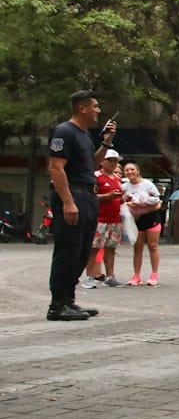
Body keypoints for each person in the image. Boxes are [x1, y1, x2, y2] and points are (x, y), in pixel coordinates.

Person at [45, 90, 115, 321]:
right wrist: (68, 202)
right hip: (73, 194)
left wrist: (106, 142)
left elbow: (91, 164)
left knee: (82, 251)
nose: (98, 110)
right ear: (82, 108)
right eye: (95, 106)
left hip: (88, 195)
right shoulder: (63, 132)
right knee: (68, 249)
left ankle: (68, 299)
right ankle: (57, 305)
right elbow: (56, 167)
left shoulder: (84, 135)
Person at [83, 149, 126, 289]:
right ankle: (89, 276)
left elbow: (117, 198)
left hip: (114, 219)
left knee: (111, 248)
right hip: (99, 219)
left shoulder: (117, 179)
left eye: (115, 161)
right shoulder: (96, 177)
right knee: (94, 248)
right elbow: (89, 197)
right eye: (110, 160)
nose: (113, 164)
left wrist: (122, 199)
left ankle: (110, 276)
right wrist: (108, 196)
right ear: (102, 161)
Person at [122, 161, 163, 287]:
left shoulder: (148, 185)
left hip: (151, 217)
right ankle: (136, 275)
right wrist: (127, 202)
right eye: (127, 170)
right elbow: (120, 200)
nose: (130, 172)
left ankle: (154, 274)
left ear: (138, 171)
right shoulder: (124, 187)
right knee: (137, 247)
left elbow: (156, 200)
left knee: (153, 245)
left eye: (132, 169)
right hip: (134, 219)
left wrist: (142, 203)